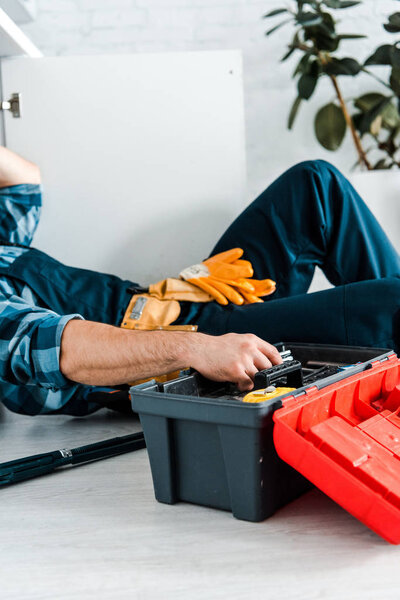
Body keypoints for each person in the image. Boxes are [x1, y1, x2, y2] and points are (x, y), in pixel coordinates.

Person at [0, 146, 399, 417]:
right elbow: (60, 350)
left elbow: (21, 180)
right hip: (173, 358)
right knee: (390, 305)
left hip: (178, 298)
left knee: (315, 185)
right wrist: (196, 349)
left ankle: (390, 373)